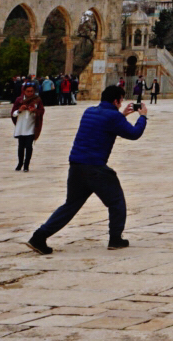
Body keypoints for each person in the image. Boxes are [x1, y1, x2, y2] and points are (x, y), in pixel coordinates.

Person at [27, 85, 149, 253]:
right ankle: (115, 239)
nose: (121, 104)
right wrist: (143, 117)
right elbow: (134, 133)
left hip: (76, 165)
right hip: (96, 167)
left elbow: (104, 124)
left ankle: (39, 236)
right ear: (116, 100)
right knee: (116, 202)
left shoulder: (89, 111)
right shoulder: (113, 117)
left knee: (70, 205)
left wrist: (122, 116)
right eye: (120, 101)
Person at [11, 83, 45, 171]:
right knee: (21, 147)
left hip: (31, 127)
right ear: (24, 91)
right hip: (21, 127)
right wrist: (19, 110)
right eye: (28, 91)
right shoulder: (19, 100)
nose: (29, 93)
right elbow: (13, 114)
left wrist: (34, 111)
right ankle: (20, 163)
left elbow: (41, 111)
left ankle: (26, 165)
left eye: (31, 91)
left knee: (29, 146)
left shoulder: (37, 100)